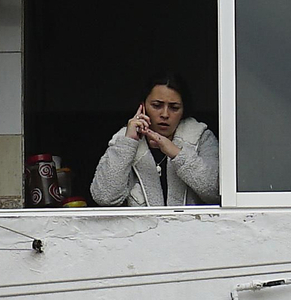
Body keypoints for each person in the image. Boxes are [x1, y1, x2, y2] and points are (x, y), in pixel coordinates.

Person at [89, 74, 220, 207]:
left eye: (174, 108)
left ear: (183, 111)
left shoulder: (201, 137)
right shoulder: (123, 140)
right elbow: (104, 197)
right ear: (143, 107)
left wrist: (177, 154)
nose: (165, 114)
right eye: (157, 105)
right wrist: (128, 143)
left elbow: (216, 193)